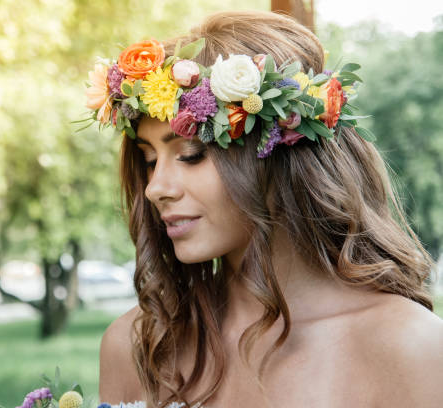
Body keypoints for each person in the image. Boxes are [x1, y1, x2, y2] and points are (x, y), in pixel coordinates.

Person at [87, 10, 443, 408]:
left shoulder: (410, 348)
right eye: (150, 160)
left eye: (190, 154)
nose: (155, 189)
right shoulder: (138, 346)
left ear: (278, 152)